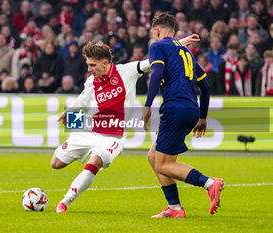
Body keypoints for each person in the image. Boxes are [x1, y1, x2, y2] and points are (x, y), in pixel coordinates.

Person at [51, 33, 199, 213]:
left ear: (105, 63)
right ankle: (81, 156)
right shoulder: (91, 81)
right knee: (56, 164)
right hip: (89, 130)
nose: (89, 69)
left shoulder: (127, 71)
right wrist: (69, 112)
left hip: (113, 137)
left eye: (92, 65)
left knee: (95, 161)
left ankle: (64, 202)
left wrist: (180, 43)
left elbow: (150, 61)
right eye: (88, 64)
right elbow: (83, 99)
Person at [142, 13, 224, 218]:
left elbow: (157, 74)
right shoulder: (186, 53)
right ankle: (175, 208)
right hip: (191, 109)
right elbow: (205, 86)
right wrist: (203, 117)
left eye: (153, 33)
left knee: (164, 164)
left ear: (157, 31)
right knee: (154, 156)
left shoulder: (157, 46)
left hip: (174, 108)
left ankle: (209, 183)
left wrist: (147, 105)